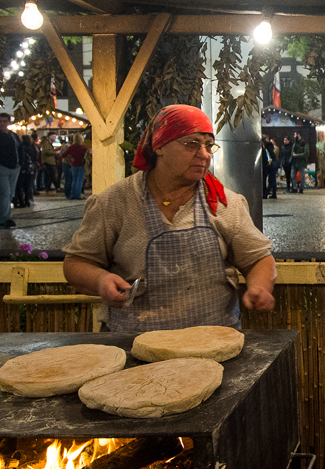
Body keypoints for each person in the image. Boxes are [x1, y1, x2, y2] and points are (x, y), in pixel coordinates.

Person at [63, 104, 276, 331]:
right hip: (131, 341)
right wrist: (100, 280)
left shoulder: (224, 203)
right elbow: (77, 263)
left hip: (214, 339)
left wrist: (260, 286)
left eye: (208, 145)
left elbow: (258, 259)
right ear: (160, 146)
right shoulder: (116, 202)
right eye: (192, 143)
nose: (204, 154)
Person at [13, 132, 38, 208]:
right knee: (28, 185)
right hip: (30, 167)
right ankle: (28, 200)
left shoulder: (21, 147)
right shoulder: (32, 147)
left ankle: (21, 201)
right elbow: (35, 157)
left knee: (20, 185)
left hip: (22, 167)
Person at [61, 133, 89, 200]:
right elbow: (88, 155)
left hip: (73, 165)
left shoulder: (71, 147)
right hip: (82, 165)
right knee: (80, 180)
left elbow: (63, 155)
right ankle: (77, 195)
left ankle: (73, 195)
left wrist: (70, 158)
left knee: (74, 180)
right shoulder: (84, 148)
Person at [262, 135, 278, 199]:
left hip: (270, 164)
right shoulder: (269, 146)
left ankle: (266, 193)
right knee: (272, 180)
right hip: (273, 164)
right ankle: (273, 194)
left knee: (270, 180)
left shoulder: (266, 146)